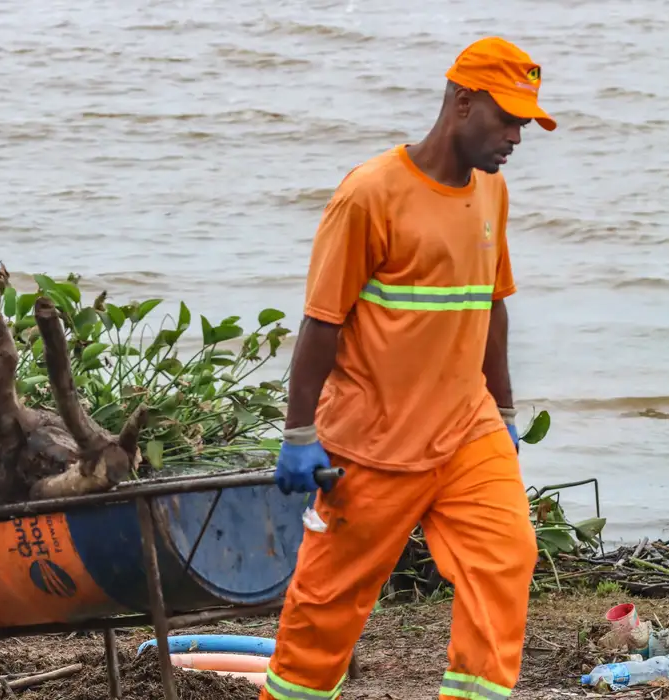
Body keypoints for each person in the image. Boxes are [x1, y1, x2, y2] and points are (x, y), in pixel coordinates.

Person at [265, 37, 557, 700]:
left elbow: (492, 304)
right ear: (461, 102)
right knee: (323, 617)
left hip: (465, 431)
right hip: (374, 443)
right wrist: (299, 433)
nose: (515, 136)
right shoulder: (370, 195)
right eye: (506, 117)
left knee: (506, 559)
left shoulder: (492, 191)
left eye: (524, 122)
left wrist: (504, 412)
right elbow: (321, 322)